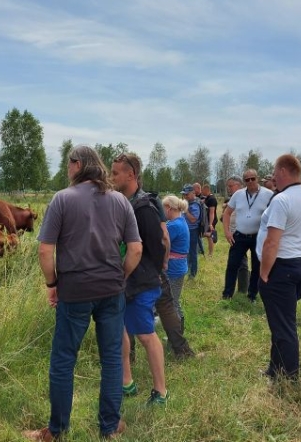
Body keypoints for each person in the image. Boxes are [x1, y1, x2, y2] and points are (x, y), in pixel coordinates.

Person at [25, 145, 140, 441]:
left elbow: (45, 249)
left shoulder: (63, 199)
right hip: (111, 289)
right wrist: (121, 276)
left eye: (68, 163)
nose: (67, 168)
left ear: (77, 165)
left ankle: (57, 430)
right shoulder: (120, 201)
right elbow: (136, 249)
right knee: (112, 358)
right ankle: (110, 426)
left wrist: (52, 284)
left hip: (74, 291)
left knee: (64, 358)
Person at [111, 153, 168, 405]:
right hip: (125, 281)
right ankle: (127, 382)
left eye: (115, 173)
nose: (111, 178)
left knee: (145, 334)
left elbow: (160, 243)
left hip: (140, 282)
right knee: (121, 329)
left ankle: (161, 392)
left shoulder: (143, 207)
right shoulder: (123, 203)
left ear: (131, 175)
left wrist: (150, 271)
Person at [257, 154, 301, 380]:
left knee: (283, 326)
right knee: (281, 322)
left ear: (283, 171)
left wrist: (263, 272)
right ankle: (275, 368)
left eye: (274, 171)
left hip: (280, 267)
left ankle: (289, 375)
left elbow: (272, 241)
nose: (273, 176)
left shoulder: (282, 200)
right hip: (299, 264)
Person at [221, 169, 274, 302]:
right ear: (244, 181)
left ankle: (252, 295)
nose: (250, 182)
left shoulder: (268, 195)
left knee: (257, 266)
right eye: (247, 179)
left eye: (253, 178)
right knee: (232, 265)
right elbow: (227, 213)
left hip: (258, 237)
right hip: (239, 236)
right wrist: (227, 232)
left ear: (257, 178)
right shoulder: (238, 195)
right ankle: (227, 294)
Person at [163, 195, 190, 331]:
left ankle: (177, 333)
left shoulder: (173, 225)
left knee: (172, 302)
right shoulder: (181, 221)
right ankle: (177, 331)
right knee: (173, 300)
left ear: (169, 208)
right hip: (179, 266)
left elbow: (162, 243)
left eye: (163, 207)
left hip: (173, 268)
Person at [223, 176, 250, 293]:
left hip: (243, 234)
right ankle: (242, 288)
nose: (229, 189)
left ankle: (243, 289)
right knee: (238, 261)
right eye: (228, 186)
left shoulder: (246, 197)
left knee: (240, 262)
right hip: (234, 234)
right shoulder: (234, 198)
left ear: (239, 185)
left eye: (231, 186)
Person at [181, 184, 203, 279]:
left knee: (193, 252)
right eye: (184, 194)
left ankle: (193, 273)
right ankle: (187, 269)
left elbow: (193, 219)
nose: (185, 196)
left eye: (187, 194)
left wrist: (186, 211)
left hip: (192, 231)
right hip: (186, 229)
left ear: (193, 193)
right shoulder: (188, 203)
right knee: (186, 251)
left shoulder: (195, 205)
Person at [202, 184, 218, 257]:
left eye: (203, 190)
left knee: (209, 237)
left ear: (206, 190)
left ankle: (210, 254)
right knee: (206, 235)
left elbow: (212, 212)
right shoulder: (207, 198)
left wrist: (210, 224)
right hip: (207, 220)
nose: (202, 192)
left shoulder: (212, 199)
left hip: (211, 220)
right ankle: (212, 235)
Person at [193, 182, 205, 255]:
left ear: (198, 188)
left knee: (199, 236)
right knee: (198, 237)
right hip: (197, 221)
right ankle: (200, 250)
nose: (193, 191)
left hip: (200, 220)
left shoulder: (203, 197)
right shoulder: (196, 197)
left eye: (193, 189)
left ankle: (200, 250)